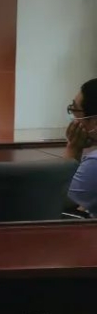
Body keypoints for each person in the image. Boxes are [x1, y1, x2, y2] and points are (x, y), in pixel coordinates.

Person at [65, 78, 97, 214]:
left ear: (95, 122)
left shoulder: (94, 163)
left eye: (74, 110)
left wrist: (73, 149)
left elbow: (58, 201)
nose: (73, 118)